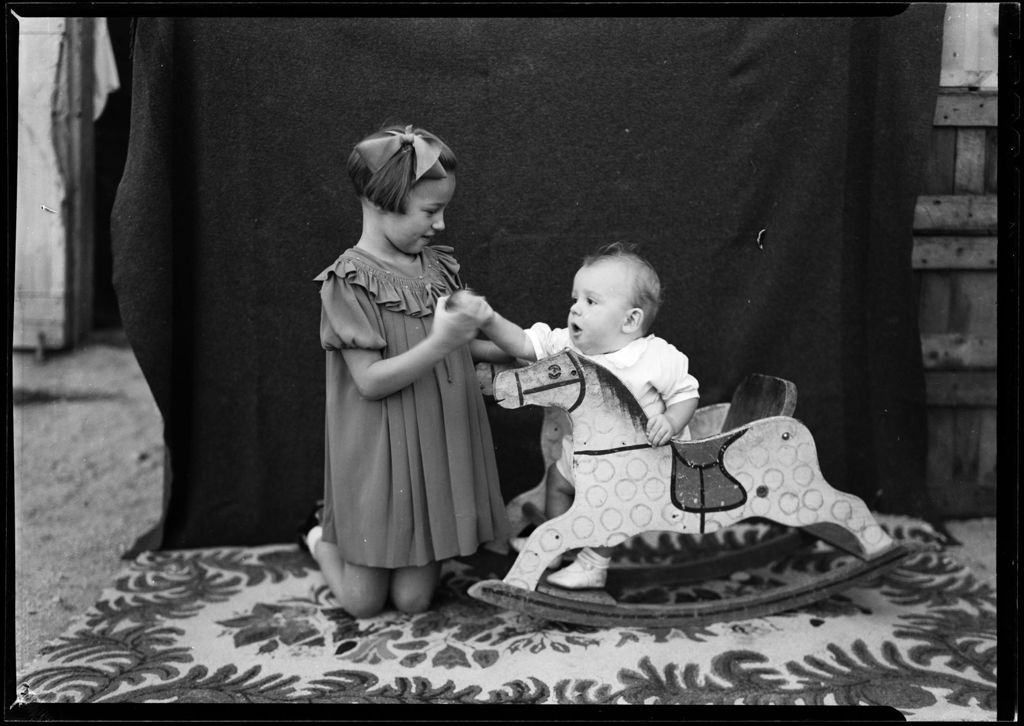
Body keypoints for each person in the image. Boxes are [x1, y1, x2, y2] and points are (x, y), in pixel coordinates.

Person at [301, 123, 509, 618]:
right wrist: (442, 341)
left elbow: (460, 349)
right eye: (430, 211)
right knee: (362, 605)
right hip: (378, 451)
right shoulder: (347, 282)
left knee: (415, 602)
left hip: (433, 440)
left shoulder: (438, 268)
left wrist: (516, 350)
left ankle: (403, 561)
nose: (440, 225)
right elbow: (370, 382)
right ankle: (316, 535)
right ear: (379, 204)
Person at [474, 242, 700, 589]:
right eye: (575, 299)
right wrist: (487, 320)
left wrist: (671, 421)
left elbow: (686, 394)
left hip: (632, 462)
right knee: (557, 483)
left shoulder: (655, 357)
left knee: (610, 504)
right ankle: (559, 546)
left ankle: (594, 562)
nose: (576, 310)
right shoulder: (568, 345)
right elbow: (522, 344)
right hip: (582, 453)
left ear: (630, 320)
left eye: (590, 302)